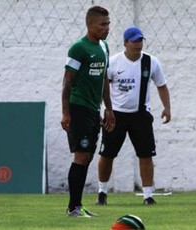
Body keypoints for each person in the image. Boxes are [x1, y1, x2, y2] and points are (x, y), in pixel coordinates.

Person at [96, 27, 171, 205]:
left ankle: (148, 195)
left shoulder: (151, 62)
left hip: (140, 115)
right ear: (125, 43)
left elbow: (161, 85)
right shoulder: (113, 62)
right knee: (107, 154)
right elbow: (102, 89)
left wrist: (167, 108)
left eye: (140, 41)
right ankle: (102, 192)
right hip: (115, 115)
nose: (138, 44)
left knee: (146, 155)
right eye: (134, 41)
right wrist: (101, 110)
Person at [61, 6, 115, 218]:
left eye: (108, 24)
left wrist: (108, 108)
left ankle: (77, 206)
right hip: (78, 107)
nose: (107, 28)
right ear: (90, 25)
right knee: (81, 156)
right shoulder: (79, 48)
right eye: (102, 24)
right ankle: (74, 208)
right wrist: (66, 112)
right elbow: (67, 82)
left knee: (88, 156)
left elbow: (103, 80)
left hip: (93, 110)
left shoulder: (104, 47)